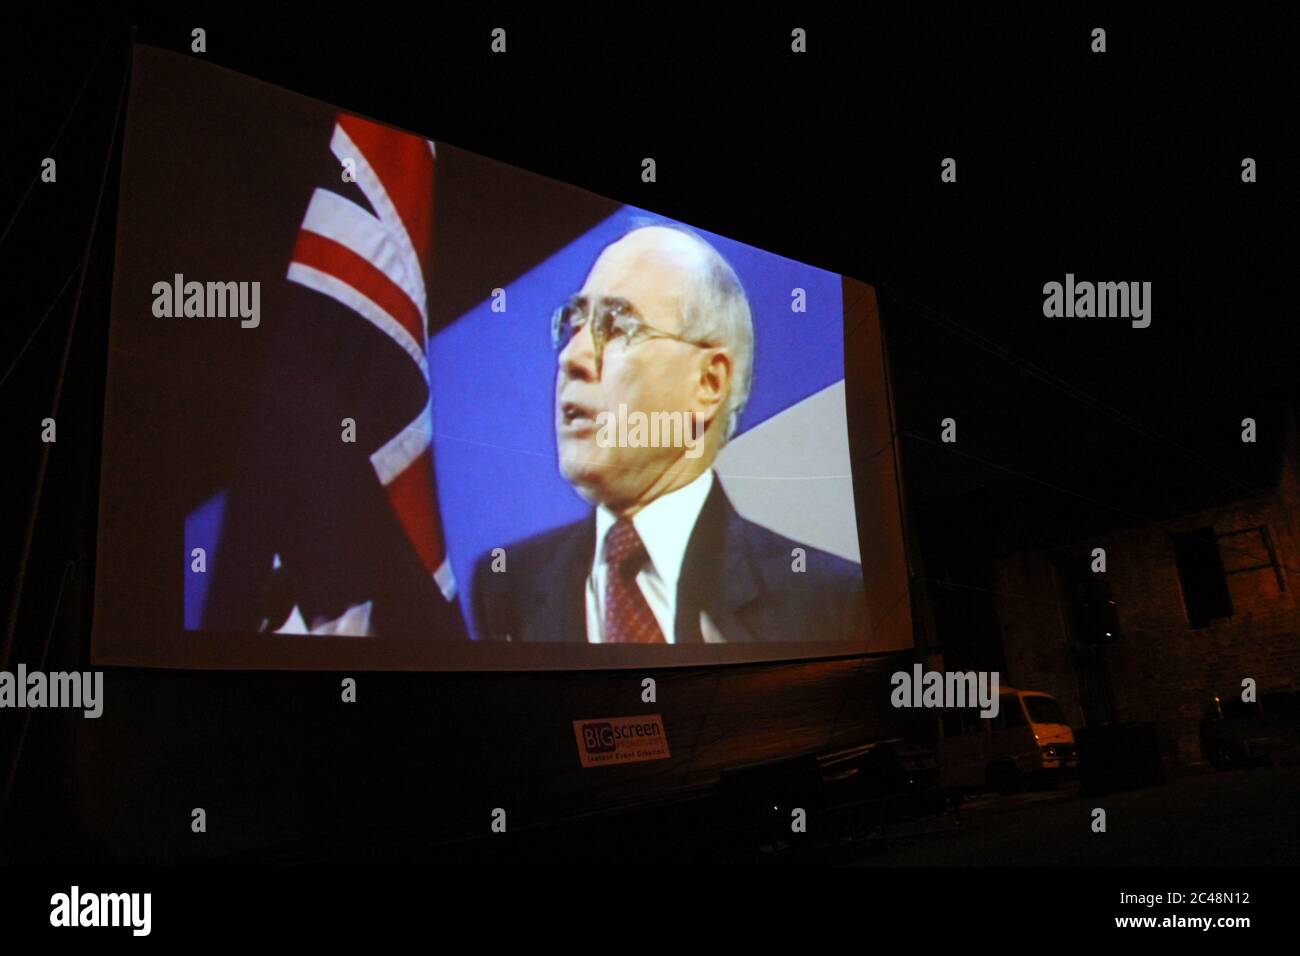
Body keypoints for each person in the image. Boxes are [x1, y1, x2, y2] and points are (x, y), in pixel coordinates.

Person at [471, 223, 865, 644]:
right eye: (573, 324)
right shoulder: (505, 586)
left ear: (709, 383)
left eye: (618, 326)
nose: (572, 357)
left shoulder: (829, 602)